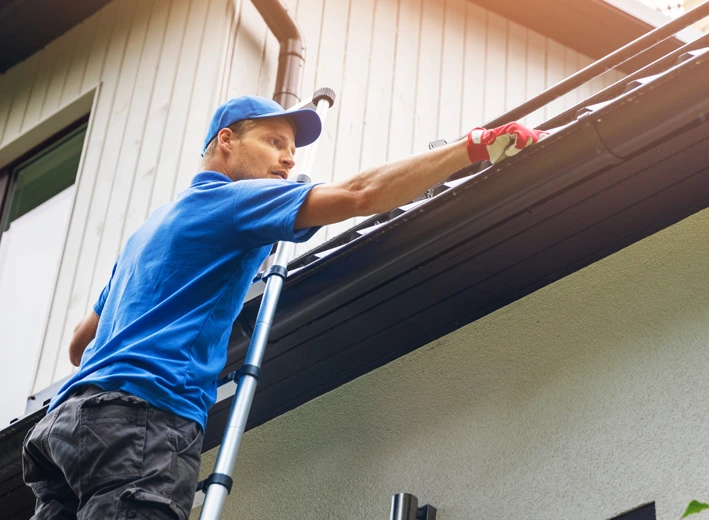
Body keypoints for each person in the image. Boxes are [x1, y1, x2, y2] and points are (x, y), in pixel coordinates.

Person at [21, 95, 546, 519]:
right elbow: (360, 193)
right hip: (141, 423)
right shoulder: (232, 202)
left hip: (67, 430)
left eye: (291, 148)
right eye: (274, 142)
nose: (289, 158)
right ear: (225, 142)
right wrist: (472, 147)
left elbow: (77, 345)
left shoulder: (146, 234)